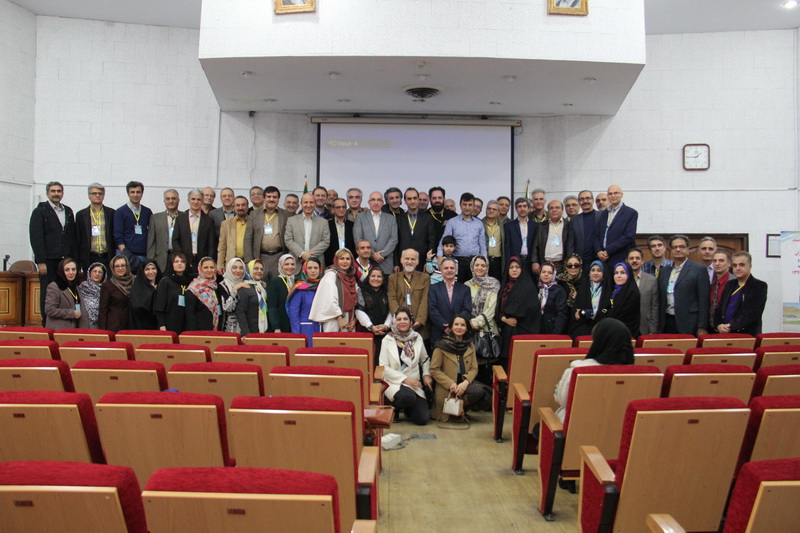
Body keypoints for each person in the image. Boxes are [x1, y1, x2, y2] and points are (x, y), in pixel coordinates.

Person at [554, 318, 634, 423]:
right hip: (621, 431)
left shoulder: (579, 370)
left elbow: (563, 400)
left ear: (599, 341)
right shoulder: (644, 376)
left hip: (577, 428)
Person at [30, 181, 77, 324]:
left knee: (67, 291)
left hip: (65, 260)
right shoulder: (40, 211)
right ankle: (47, 322)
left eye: (59, 191)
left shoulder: (68, 211)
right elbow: (36, 237)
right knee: (48, 292)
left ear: (62, 193)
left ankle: (65, 322)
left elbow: (72, 236)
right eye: (53, 191)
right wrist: (41, 261)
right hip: (49, 260)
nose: (56, 194)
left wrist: (74, 260)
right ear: (47, 193)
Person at [379, 308, 432, 425]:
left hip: (414, 383)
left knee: (422, 419)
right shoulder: (387, 340)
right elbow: (383, 367)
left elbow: (425, 359)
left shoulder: (417, 337)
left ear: (411, 322)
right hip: (394, 382)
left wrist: (426, 374)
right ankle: (393, 408)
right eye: (399, 319)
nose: (402, 322)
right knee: (407, 396)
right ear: (394, 322)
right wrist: (405, 380)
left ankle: (408, 408)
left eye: (405, 319)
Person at [429, 314, 487, 419]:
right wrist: (451, 384)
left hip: (462, 383)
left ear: (466, 328)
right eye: (456, 324)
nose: (459, 327)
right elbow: (434, 370)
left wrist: (465, 383)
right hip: (447, 386)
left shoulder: (470, 345)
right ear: (451, 327)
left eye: (462, 325)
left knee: (478, 391)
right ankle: (450, 412)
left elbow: (474, 368)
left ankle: (458, 410)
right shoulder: (441, 345)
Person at [658, 235, 710, 336]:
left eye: (681, 247)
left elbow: (704, 300)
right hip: (667, 321)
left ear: (688, 250)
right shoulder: (664, 271)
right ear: (671, 250)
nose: (678, 249)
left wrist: (702, 326)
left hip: (690, 323)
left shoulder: (699, 269)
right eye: (674, 247)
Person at [496, 257, 541, 368]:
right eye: (511, 267)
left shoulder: (528, 287)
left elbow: (531, 310)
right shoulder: (504, 286)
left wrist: (511, 315)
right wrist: (504, 319)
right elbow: (498, 309)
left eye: (517, 267)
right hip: (506, 332)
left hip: (523, 331)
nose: (514, 270)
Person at [714, 251, 768, 335]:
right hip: (724, 333)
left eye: (741, 265)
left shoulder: (759, 286)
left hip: (746, 334)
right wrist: (719, 325)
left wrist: (731, 326)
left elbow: (753, 313)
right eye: (735, 265)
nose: (737, 268)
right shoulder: (729, 284)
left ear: (750, 266)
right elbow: (719, 308)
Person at [438, 192, 487, 283]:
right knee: (457, 288)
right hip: (457, 261)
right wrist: (440, 256)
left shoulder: (479, 223)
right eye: (464, 204)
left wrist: (485, 262)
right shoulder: (452, 222)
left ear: (473, 206)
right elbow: (444, 239)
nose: (467, 207)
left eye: (470, 205)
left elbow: (482, 244)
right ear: (460, 205)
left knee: (474, 288)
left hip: (474, 262)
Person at [465, 255, 500, 377]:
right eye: (477, 265)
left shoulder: (494, 284)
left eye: (483, 265)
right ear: (472, 267)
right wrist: (469, 325)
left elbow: (492, 309)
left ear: (487, 267)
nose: (480, 268)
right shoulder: (466, 285)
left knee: (486, 370)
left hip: (486, 329)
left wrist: (475, 323)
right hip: (469, 332)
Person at [245, 185, 290, 279]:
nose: (271, 199)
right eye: (269, 197)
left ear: (278, 199)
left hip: (279, 257)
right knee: (261, 286)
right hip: (260, 257)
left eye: (274, 197)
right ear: (264, 198)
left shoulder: (286, 215)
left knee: (277, 285)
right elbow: (248, 238)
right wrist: (249, 260)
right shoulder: (254, 215)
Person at [309, 248, 358, 332]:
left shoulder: (351, 278)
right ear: (336, 260)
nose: (345, 261)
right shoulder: (331, 275)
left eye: (348, 259)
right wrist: (339, 318)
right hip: (334, 319)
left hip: (348, 319)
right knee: (332, 344)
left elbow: (355, 301)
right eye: (341, 259)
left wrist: (354, 320)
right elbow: (330, 299)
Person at [387, 249, 430, 339]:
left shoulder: (424, 278)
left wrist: (419, 321)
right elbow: (392, 299)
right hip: (399, 325)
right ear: (401, 260)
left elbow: (425, 300)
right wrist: (399, 319)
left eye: (413, 259)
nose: (409, 262)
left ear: (417, 262)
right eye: (407, 258)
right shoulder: (393, 278)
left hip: (418, 327)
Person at [428, 257, 472, 344]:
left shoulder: (465, 289)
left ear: (456, 270)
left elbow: (467, 309)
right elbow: (432, 309)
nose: (449, 270)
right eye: (446, 268)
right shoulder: (433, 288)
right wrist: (444, 326)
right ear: (441, 270)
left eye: (452, 268)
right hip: (439, 334)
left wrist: (454, 325)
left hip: (459, 335)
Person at [353, 191, 399, 275]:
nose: (376, 202)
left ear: (383, 203)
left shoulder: (391, 218)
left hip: (386, 262)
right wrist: (372, 254)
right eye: (373, 199)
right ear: (368, 202)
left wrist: (381, 255)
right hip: (366, 261)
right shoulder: (360, 217)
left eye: (379, 200)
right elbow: (358, 238)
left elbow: (394, 239)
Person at [172, 189, 216, 272]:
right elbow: (175, 240)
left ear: (202, 201)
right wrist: (181, 257)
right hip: (185, 260)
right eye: (193, 199)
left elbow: (211, 244)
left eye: (199, 199)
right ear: (188, 201)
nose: (195, 202)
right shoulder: (180, 219)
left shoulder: (208, 221)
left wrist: (209, 261)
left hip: (202, 261)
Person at [593, 184, 637, 269]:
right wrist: (598, 251)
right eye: (610, 194)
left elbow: (628, 236)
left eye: (616, 193)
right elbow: (596, 236)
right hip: (603, 259)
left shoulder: (630, 213)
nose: (613, 196)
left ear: (622, 194)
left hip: (619, 258)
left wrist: (608, 250)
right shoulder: (603, 214)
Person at [75, 183, 115, 272]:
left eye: (100, 193)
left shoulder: (111, 213)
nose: (97, 195)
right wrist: (78, 261)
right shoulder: (81, 215)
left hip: (107, 257)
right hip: (89, 257)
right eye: (94, 193)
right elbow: (78, 238)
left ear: (104, 196)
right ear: (89, 196)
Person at [114, 181, 152, 271]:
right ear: (128, 193)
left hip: (143, 254)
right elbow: (117, 234)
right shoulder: (120, 212)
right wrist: (125, 253)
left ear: (142, 194)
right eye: (132, 192)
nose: (135, 195)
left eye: (138, 192)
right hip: (125, 254)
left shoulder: (147, 212)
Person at [395, 188, 435, 273]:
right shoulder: (399, 219)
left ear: (418, 199)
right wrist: (396, 263)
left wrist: (428, 262)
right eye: (409, 199)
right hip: (403, 261)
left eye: (414, 198)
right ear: (405, 201)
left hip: (421, 261)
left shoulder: (428, 218)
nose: (412, 201)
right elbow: (396, 242)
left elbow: (432, 241)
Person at [285, 193, 331, 268]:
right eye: (306, 202)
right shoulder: (291, 220)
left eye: (311, 202)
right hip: (296, 263)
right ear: (301, 204)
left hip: (316, 264)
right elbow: (288, 240)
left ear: (315, 204)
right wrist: (302, 254)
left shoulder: (323, 222)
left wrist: (308, 255)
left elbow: (326, 241)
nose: (308, 205)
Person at [598, 262, 641, 338]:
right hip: (612, 331)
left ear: (629, 274)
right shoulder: (614, 291)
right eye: (616, 273)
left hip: (625, 334)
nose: (618, 276)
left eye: (622, 273)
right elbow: (606, 307)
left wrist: (605, 313)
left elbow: (620, 315)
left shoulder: (632, 293)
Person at [532, 200, 575, 275]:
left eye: (557, 208)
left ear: (562, 210)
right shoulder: (541, 226)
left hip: (562, 265)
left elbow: (571, 245)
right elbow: (535, 245)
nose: (554, 210)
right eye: (551, 208)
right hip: (544, 264)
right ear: (548, 211)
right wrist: (534, 261)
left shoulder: (569, 225)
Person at [44, 258, 88, 330]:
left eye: (73, 269)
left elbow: (82, 309)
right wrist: (71, 313)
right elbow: (50, 310)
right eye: (67, 270)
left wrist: (84, 331)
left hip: (74, 329)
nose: (71, 273)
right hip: (58, 330)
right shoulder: (54, 286)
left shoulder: (75, 286)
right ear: (61, 271)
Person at [356, 267, 392, 354]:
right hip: (366, 331)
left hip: (384, 332)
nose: (376, 279)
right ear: (369, 277)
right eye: (373, 276)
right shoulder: (361, 290)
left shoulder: (388, 291)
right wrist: (371, 327)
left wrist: (386, 325)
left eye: (379, 276)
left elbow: (392, 310)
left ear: (383, 279)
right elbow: (359, 310)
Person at [286, 257, 322, 343]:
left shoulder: (322, 286)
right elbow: (294, 314)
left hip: (321, 330)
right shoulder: (300, 288)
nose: (313, 271)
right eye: (310, 268)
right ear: (305, 269)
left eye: (316, 268)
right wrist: (297, 336)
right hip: (305, 330)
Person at [155, 252, 192, 333]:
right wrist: (162, 325)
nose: (179, 264)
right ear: (172, 264)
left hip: (186, 323)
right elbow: (159, 306)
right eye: (176, 261)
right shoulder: (166, 281)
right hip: (170, 323)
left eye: (182, 261)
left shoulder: (191, 282)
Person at [146, 189, 181, 273]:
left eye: (173, 198)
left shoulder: (184, 216)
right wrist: (151, 261)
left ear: (178, 200)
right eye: (168, 199)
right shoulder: (155, 218)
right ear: (164, 201)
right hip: (161, 260)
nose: (170, 201)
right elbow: (151, 242)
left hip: (179, 259)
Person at [627, 248, 659, 336]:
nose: (634, 261)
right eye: (631, 258)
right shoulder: (620, 279)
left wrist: (652, 330)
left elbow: (654, 306)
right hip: (625, 327)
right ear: (627, 261)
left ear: (642, 261)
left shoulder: (652, 280)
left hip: (644, 326)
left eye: (637, 258)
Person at [570, 260, 605, 338]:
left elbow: (608, 308)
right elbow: (577, 313)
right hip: (584, 324)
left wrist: (587, 313)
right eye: (593, 270)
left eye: (599, 270)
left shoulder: (609, 290)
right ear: (589, 273)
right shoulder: (583, 288)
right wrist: (583, 313)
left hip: (601, 323)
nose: (595, 273)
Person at [99, 255, 134, 332]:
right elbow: (103, 311)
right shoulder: (107, 285)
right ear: (113, 268)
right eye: (117, 266)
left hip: (132, 325)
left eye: (123, 265)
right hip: (115, 326)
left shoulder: (135, 281)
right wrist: (103, 332)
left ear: (127, 266)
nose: (120, 268)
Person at [185, 257, 221, 331]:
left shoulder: (215, 287)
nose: (209, 270)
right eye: (206, 267)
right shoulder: (193, 289)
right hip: (199, 333)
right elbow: (190, 315)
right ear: (200, 269)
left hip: (215, 332)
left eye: (212, 267)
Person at [236, 259, 269, 337]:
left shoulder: (263, 288)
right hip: (250, 330)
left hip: (264, 330)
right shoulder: (245, 287)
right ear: (249, 270)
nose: (259, 271)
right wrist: (245, 333)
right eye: (256, 268)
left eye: (261, 269)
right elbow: (241, 312)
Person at [217, 196, 250, 272]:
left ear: (247, 206)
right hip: (231, 263)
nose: (240, 207)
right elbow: (222, 246)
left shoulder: (253, 222)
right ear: (234, 207)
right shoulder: (226, 224)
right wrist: (220, 264)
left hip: (248, 263)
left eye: (243, 205)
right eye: (237, 205)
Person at [504, 197, 536, 274]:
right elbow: (507, 247)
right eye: (519, 206)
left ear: (528, 208)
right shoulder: (508, 226)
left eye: (524, 206)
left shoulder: (535, 226)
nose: (522, 209)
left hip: (530, 261)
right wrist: (509, 263)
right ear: (516, 209)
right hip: (515, 261)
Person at [129, 258, 161, 330]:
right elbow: (138, 307)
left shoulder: (162, 284)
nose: (151, 272)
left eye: (153, 268)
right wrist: (153, 293)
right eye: (147, 269)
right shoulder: (137, 287)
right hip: (142, 326)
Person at [267, 254, 296, 332]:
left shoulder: (297, 282)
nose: (290, 267)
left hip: (294, 325)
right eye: (286, 264)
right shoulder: (275, 282)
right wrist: (276, 327)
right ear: (281, 266)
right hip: (281, 325)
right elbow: (272, 307)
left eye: (292, 264)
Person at [218, 257, 249, 333]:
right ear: (229, 269)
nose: (238, 271)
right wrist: (234, 291)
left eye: (241, 268)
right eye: (234, 268)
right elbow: (227, 308)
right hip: (229, 328)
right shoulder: (223, 285)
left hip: (246, 326)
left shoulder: (246, 284)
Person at [572, 190, 601, 268]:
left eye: (588, 198)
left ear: (593, 200)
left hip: (599, 259)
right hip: (581, 261)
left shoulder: (602, 216)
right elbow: (570, 242)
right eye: (581, 199)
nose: (585, 201)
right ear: (578, 202)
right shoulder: (574, 220)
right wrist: (571, 259)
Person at [324, 198, 356, 267]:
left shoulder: (352, 225)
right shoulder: (327, 224)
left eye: (343, 207)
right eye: (338, 207)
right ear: (332, 209)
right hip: (331, 263)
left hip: (349, 263)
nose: (341, 209)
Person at [538, 263, 568, 335]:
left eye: (549, 273)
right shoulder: (536, 288)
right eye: (543, 272)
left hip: (551, 328)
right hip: (536, 328)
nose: (546, 274)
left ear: (553, 275)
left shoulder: (559, 290)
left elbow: (562, 314)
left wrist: (556, 333)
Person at [78, 262, 106, 329]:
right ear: (89, 273)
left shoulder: (106, 289)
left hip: (100, 324)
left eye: (100, 272)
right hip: (83, 323)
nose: (97, 274)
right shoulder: (82, 287)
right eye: (94, 271)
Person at [709, 250, 732, 331]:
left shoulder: (735, 282)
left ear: (729, 263)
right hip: (711, 328)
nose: (717, 264)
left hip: (728, 328)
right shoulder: (712, 282)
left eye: (721, 261)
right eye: (714, 261)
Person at [482, 200, 504, 280]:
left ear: (498, 212)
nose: (491, 211)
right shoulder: (479, 224)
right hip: (484, 260)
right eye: (489, 208)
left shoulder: (502, 226)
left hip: (498, 261)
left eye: (494, 209)